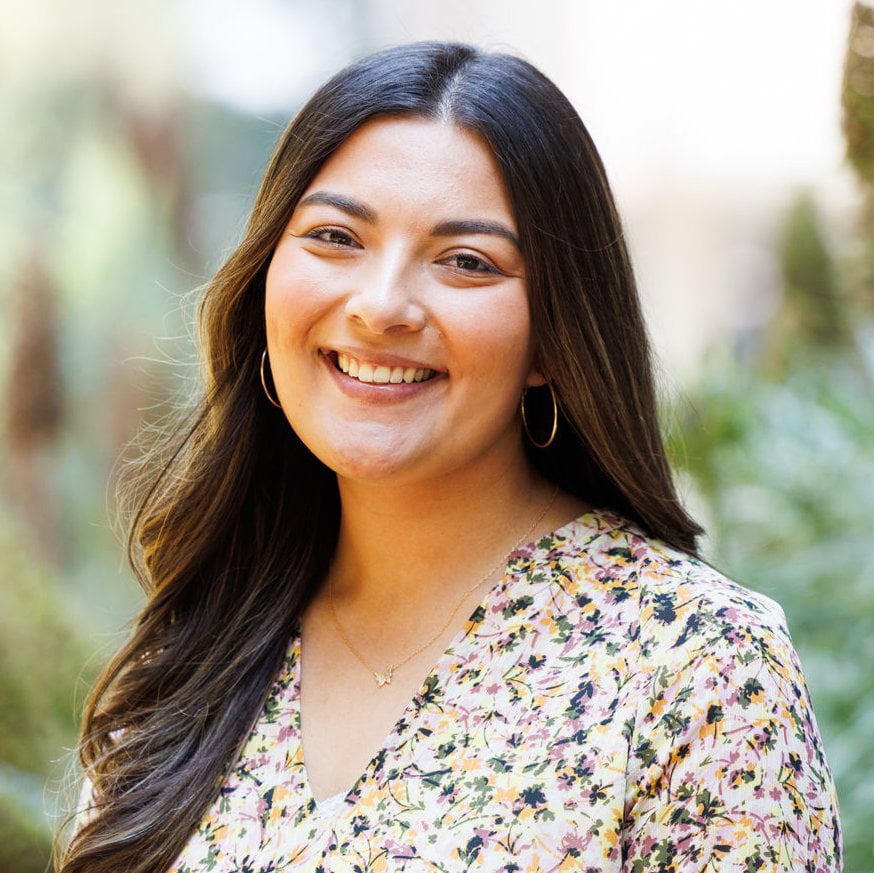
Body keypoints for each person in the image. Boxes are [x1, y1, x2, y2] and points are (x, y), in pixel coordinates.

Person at [58, 41, 841, 873]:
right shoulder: (191, 655)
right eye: (335, 236)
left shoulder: (697, 666)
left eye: (465, 261)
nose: (382, 304)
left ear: (552, 337)